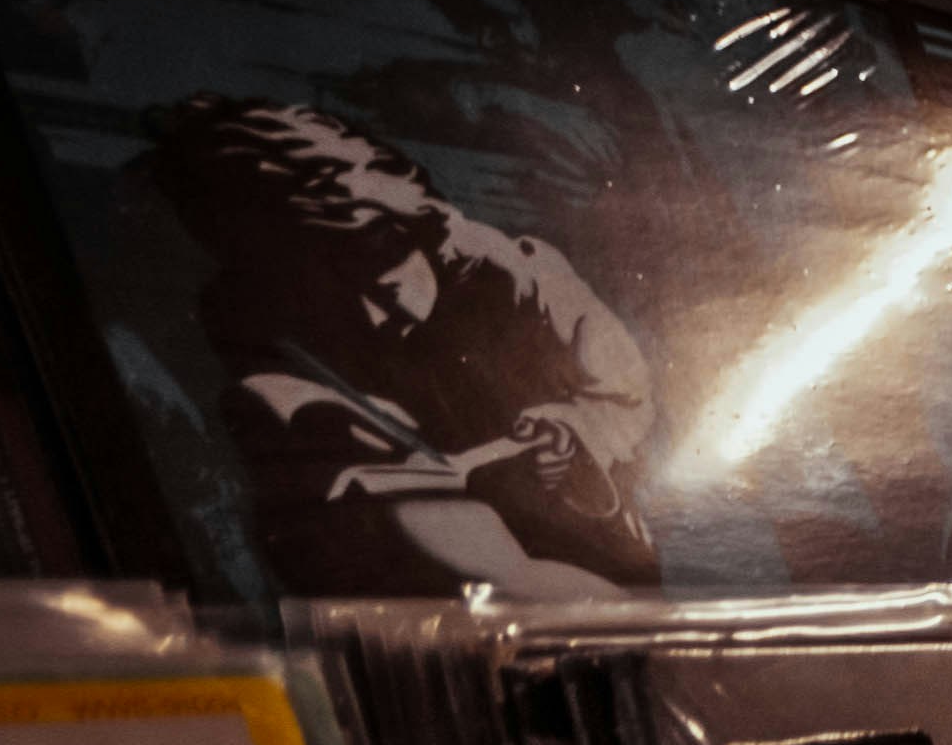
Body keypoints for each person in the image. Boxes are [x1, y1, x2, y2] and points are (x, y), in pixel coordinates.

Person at [141, 95, 662, 599]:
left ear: (415, 228)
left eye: (382, 279)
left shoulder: (517, 273)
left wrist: (575, 429)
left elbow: (624, 393)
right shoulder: (285, 383)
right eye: (333, 294)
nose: (371, 316)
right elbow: (506, 582)